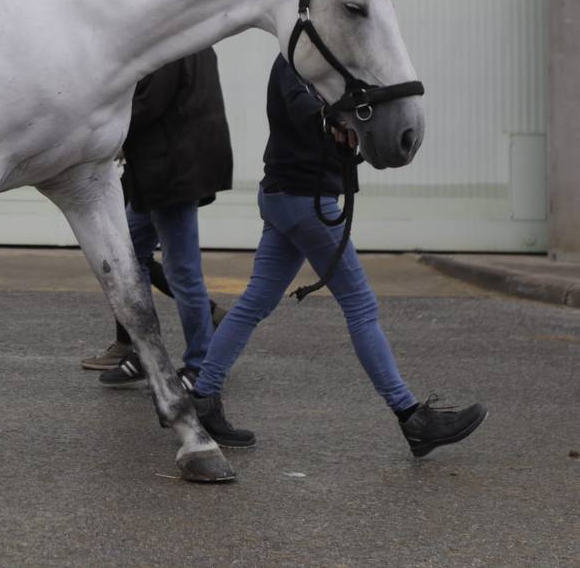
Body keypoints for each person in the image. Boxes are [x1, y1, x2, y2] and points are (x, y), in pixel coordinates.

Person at [188, 55, 487, 457]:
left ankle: (203, 398)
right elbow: (304, 109)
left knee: (254, 302)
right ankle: (412, 419)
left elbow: (334, 118)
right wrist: (335, 120)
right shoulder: (292, 64)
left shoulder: (321, 66)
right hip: (303, 200)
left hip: (286, 195)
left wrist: (352, 127)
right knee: (360, 305)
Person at [81, 48, 233, 391]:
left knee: (183, 273)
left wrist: (104, 135)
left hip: (171, 173)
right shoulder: (196, 43)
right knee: (128, 255)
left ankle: (200, 366)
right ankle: (145, 352)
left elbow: (149, 106)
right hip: (162, 172)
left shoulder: (175, 48)